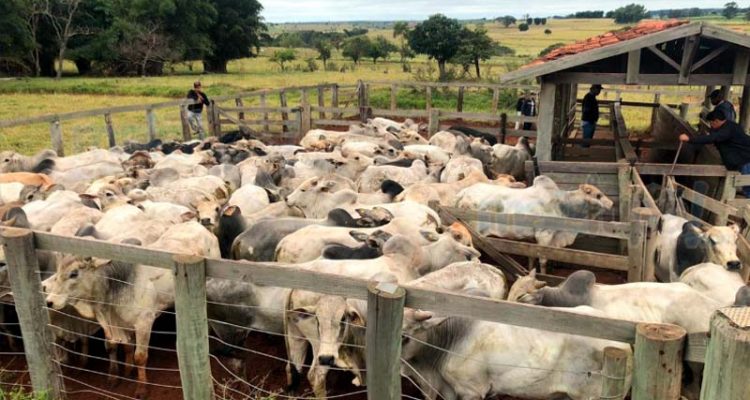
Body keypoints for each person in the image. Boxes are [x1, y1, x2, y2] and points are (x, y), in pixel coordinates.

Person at [679, 109, 750, 197]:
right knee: (746, 182)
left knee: (747, 183)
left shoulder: (726, 130)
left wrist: (689, 139)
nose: (711, 126)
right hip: (742, 158)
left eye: (711, 123)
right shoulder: (730, 126)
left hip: (745, 159)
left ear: (716, 121)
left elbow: (713, 138)